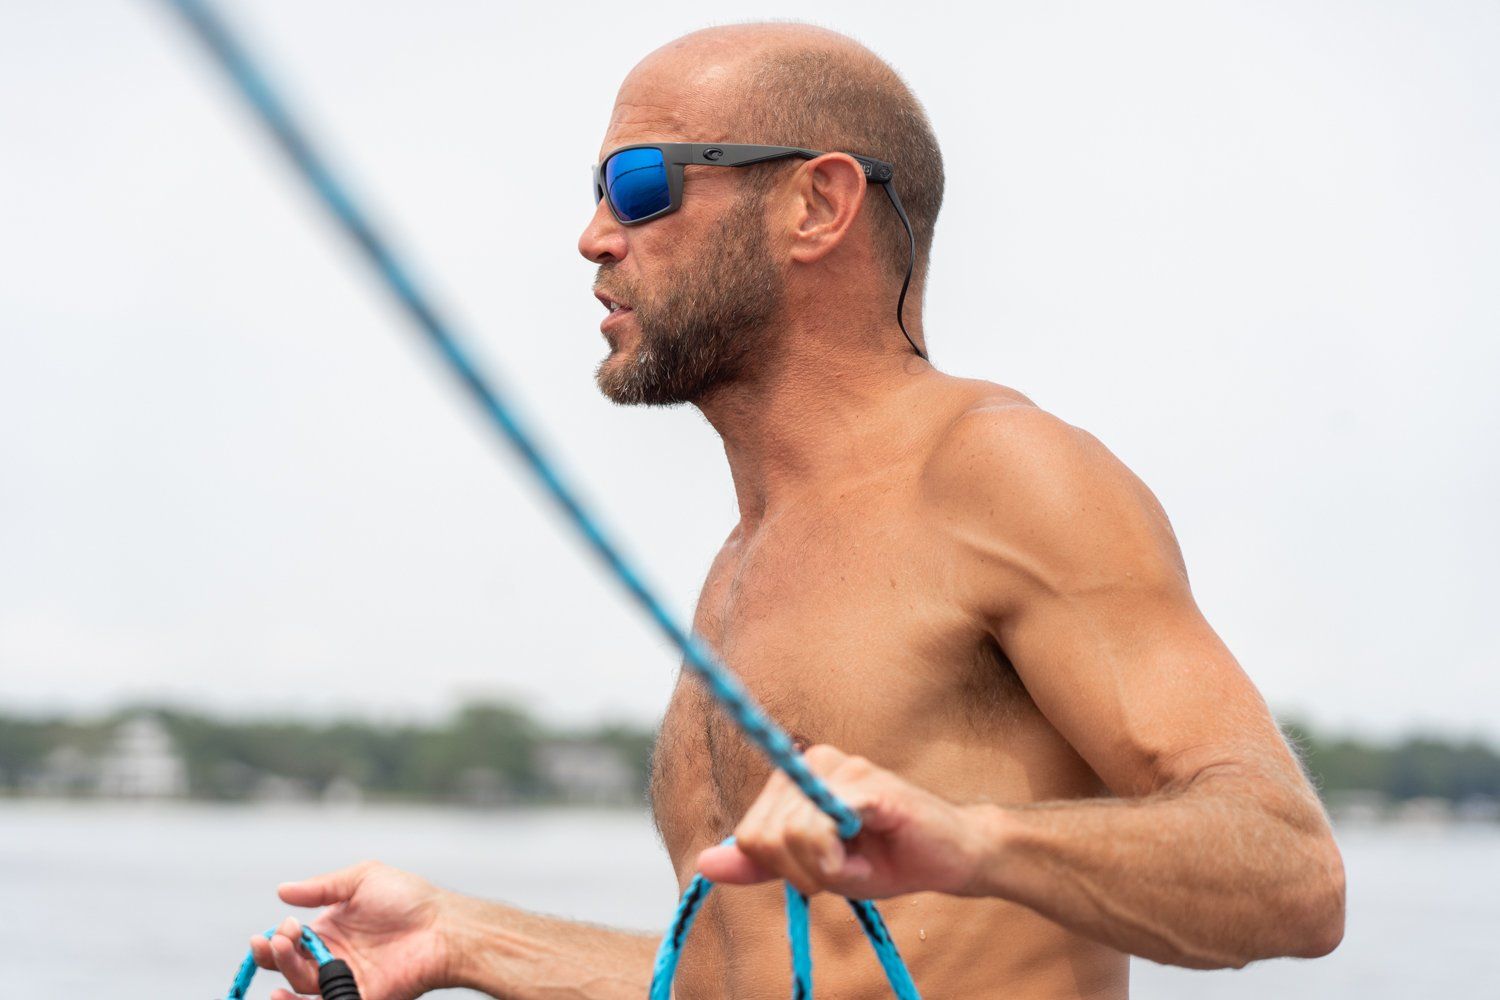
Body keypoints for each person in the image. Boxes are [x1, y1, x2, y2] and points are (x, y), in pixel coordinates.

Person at [251, 21, 1345, 1000]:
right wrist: (462, 937)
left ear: (816, 203)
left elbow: (1294, 872)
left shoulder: (1001, 472)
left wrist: (970, 841)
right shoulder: (739, 565)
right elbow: (740, 977)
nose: (593, 236)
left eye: (640, 185)